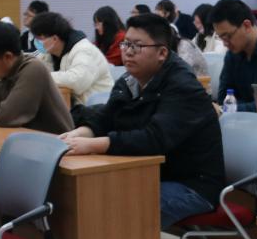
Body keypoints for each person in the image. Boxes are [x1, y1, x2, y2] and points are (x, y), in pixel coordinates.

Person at [62, 14, 224, 227]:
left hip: (192, 185)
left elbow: (154, 138)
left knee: (115, 208)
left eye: (137, 46)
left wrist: (93, 145)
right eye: (126, 44)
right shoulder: (129, 80)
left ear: (162, 53)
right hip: (151, 174)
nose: (128, 52)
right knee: (87, 194)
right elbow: (106, 118)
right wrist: (75, 136)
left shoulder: (183, 86)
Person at [31, 11, 113, 106]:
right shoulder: (49, 52)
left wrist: (42, 76)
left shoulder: (84, 50)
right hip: (71, 106)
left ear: (54, 39)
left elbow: (77, 81)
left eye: (39, 38)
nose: (36, 42)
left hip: (95, 108)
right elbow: (34, 67)